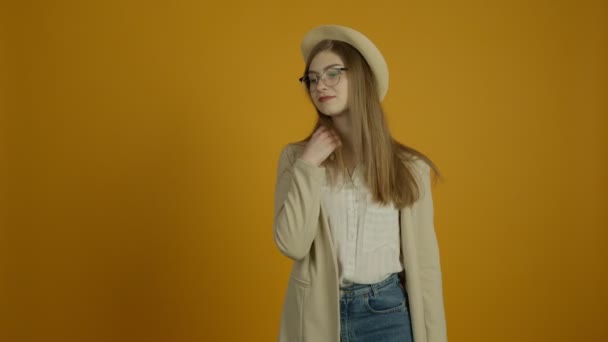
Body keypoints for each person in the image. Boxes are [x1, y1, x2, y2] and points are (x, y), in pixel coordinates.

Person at [273, 24, 447, 342]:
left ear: (361, 78)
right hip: (318, 315)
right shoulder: (297, 158)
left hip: (388, 315)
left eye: (332, 73)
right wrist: (308, 167)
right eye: (312, 78)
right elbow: (292, 244)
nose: (319, 85)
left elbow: (425, 268)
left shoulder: (410, 168)